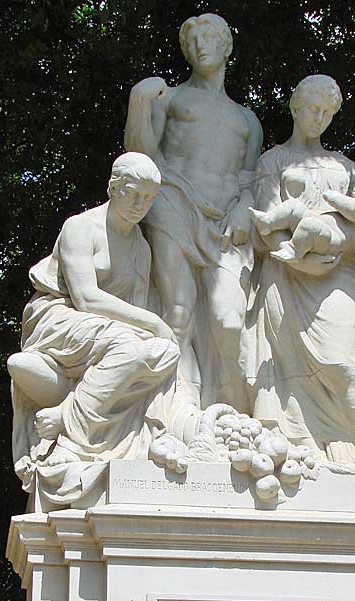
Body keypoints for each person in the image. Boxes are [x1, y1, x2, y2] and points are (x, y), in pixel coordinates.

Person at [8, 152, 180, 495]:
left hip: (109, 331)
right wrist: (154, 322)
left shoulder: (141, 249)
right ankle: (70, 441)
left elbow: (132, 312)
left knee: (166, 352)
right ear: (113, 187)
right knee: (128, 347)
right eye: (133, 193)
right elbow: (85, 298)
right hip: (58, 316)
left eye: (148, 198)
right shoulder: (80, 227)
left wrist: (154, 333)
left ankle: (68, 411)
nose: (140, 205)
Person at [246, 75, 355, 473]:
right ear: (295, 106)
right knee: (286, 364)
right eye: (313, 108)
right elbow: (264, 224)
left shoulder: (346, 168)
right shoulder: (273, 161)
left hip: (335, 275)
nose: (319, 118)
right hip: (285, 272)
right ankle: (303, 445)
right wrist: (298, 258)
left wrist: (347, 244)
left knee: (341, 361)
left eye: (327, 112)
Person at [124, 13, 263, 411]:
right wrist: (139, 101)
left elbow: (251, 180)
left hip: (225, 220)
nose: (202, 46)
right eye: (193, 41)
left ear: (226, 46)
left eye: (210, 38)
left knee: (229, 319)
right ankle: (172, 410)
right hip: (173, 202)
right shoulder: (170, 98)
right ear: (185, 51)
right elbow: (140, 154)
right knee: (178, 309)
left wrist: (245, 209)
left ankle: (233, 413)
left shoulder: (247, 120)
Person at [249, 162, 355, 267]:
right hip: (317, 222)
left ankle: (294, 251)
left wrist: (336, 199)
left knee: (310, 226)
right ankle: (268, 222)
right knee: (294, 206)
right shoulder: (273, 159)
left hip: (331, 239)